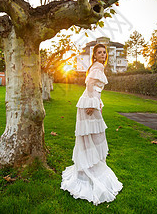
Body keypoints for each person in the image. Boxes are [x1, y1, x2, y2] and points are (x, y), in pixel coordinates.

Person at [61, 43, 122, 205]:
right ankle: (88, 171)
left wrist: (98, 103)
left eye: (104, 52)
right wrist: (91, 103)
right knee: (93, 136)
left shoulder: (99, 66)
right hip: (88, 104)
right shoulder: (98, 67)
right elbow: (89, 84)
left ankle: (91, 167)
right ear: (94, 55)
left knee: (95, 136)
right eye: (99, 52)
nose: (102, 54)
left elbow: (96, 89)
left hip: (92, 102)